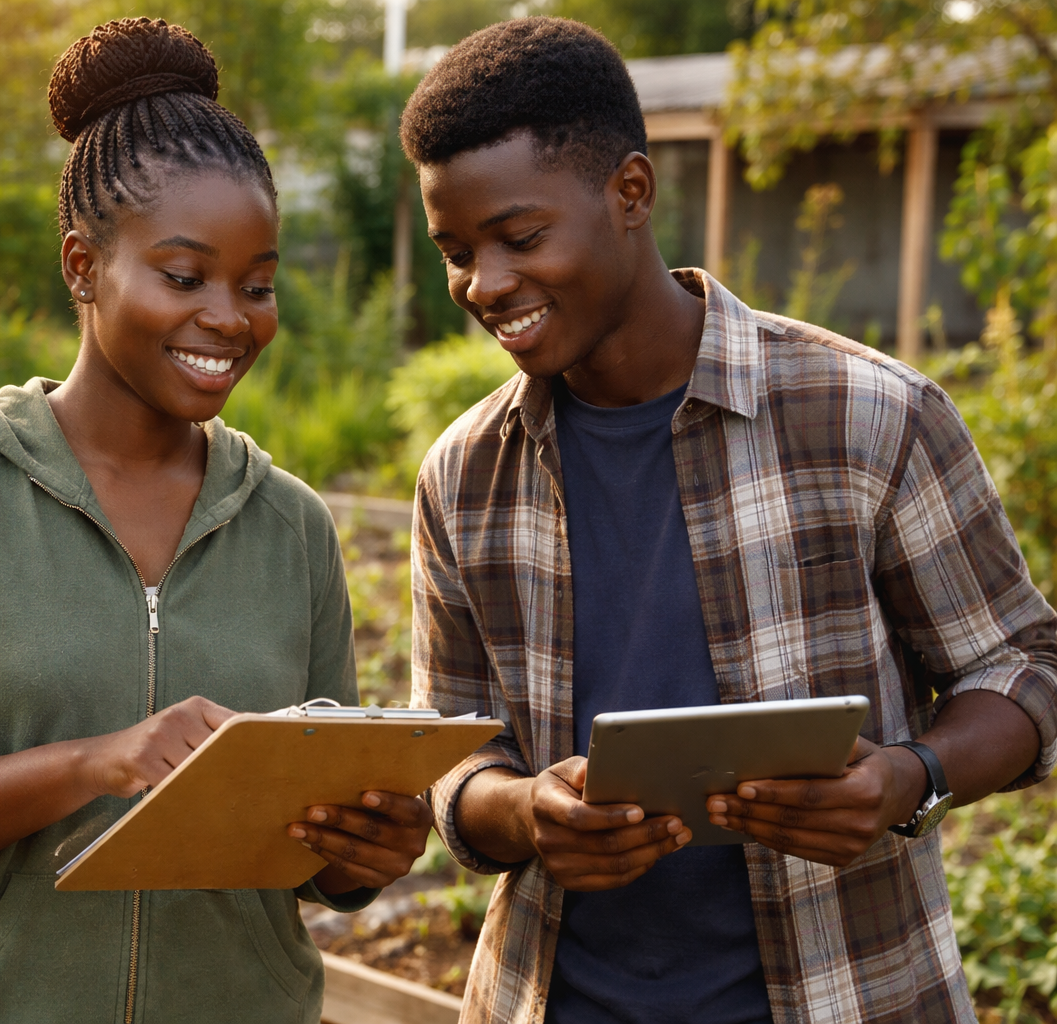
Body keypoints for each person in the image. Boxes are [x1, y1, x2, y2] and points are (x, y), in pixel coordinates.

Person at [400, 17, 1057, 1024]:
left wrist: (911, 776)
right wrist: (528, 812)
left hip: (853, 994)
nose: (483, 285)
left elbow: (1025, 662)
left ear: (630, 193)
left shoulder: (870, 414)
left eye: (521, 238)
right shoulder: (463, 475)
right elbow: (450, 751)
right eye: (457, 252)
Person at [0, 19, 431, 1024]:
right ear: (82, 265)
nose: (230, 317)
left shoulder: (293, 529)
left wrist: (362, 856)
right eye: (184, 277)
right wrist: (98, 761)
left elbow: (312, 856)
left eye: (258, 284)